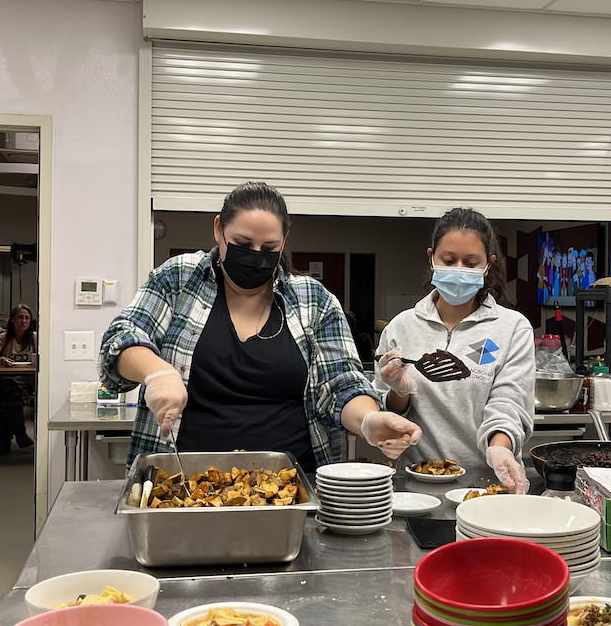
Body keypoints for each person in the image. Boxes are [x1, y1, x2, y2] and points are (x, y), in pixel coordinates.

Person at [100, 181, 421, 471]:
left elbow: (341, 385)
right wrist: (158, 372)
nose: (255, 256)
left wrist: (369, 420)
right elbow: (123, 338)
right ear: (218, 230)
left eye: (269, 248)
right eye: (242, 243)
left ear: (284, 241)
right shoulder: (179, 279)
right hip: (183, 487)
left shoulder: (314, 300)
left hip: (292, 491)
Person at [374, 208, 535, 494]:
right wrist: (397, 392)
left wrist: (499, 450)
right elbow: (384, 412)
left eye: (471, 263)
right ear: (431, 259)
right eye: (448, 260)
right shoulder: (402, 327)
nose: (459, 269)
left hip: (488, 482)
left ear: (489, 265)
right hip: (417, 483)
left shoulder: (512, 328)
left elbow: (509, 402)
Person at [0, 303, 37, 453]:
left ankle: (4, 440)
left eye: (27, 318)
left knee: (6, 394)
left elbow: (45, 358)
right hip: (3, 380)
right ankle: (20, 434)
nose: (24, 321)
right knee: (7, 389)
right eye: (20, 317)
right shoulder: (4, 337)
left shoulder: (34, 338)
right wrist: (0, 360)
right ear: (13, 319)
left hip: (25, 382)